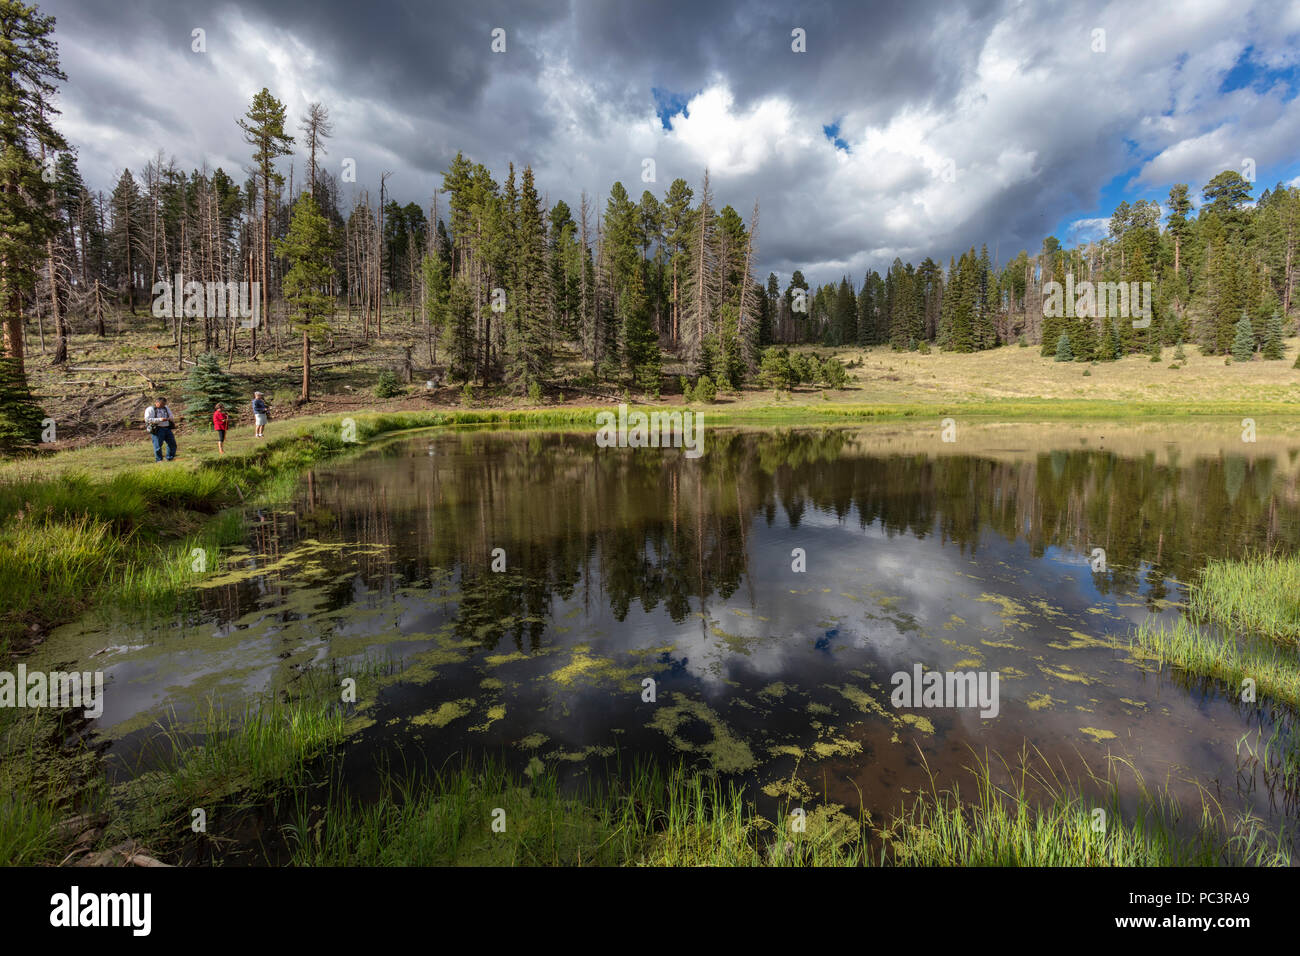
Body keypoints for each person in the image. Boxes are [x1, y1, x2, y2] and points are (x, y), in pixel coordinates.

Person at [144, 397, 177, 462]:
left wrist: (171, 419)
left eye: (164, 404)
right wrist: (160, 419)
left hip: (167, 428)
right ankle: (159, 460)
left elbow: (171, 415)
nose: (163, 405)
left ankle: (170, 458)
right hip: (157, 429)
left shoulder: (166, 408)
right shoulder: (150, 409)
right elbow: (147, 420)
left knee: (172, 443)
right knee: (158, 446)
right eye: (161, 404)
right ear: (156, 402)